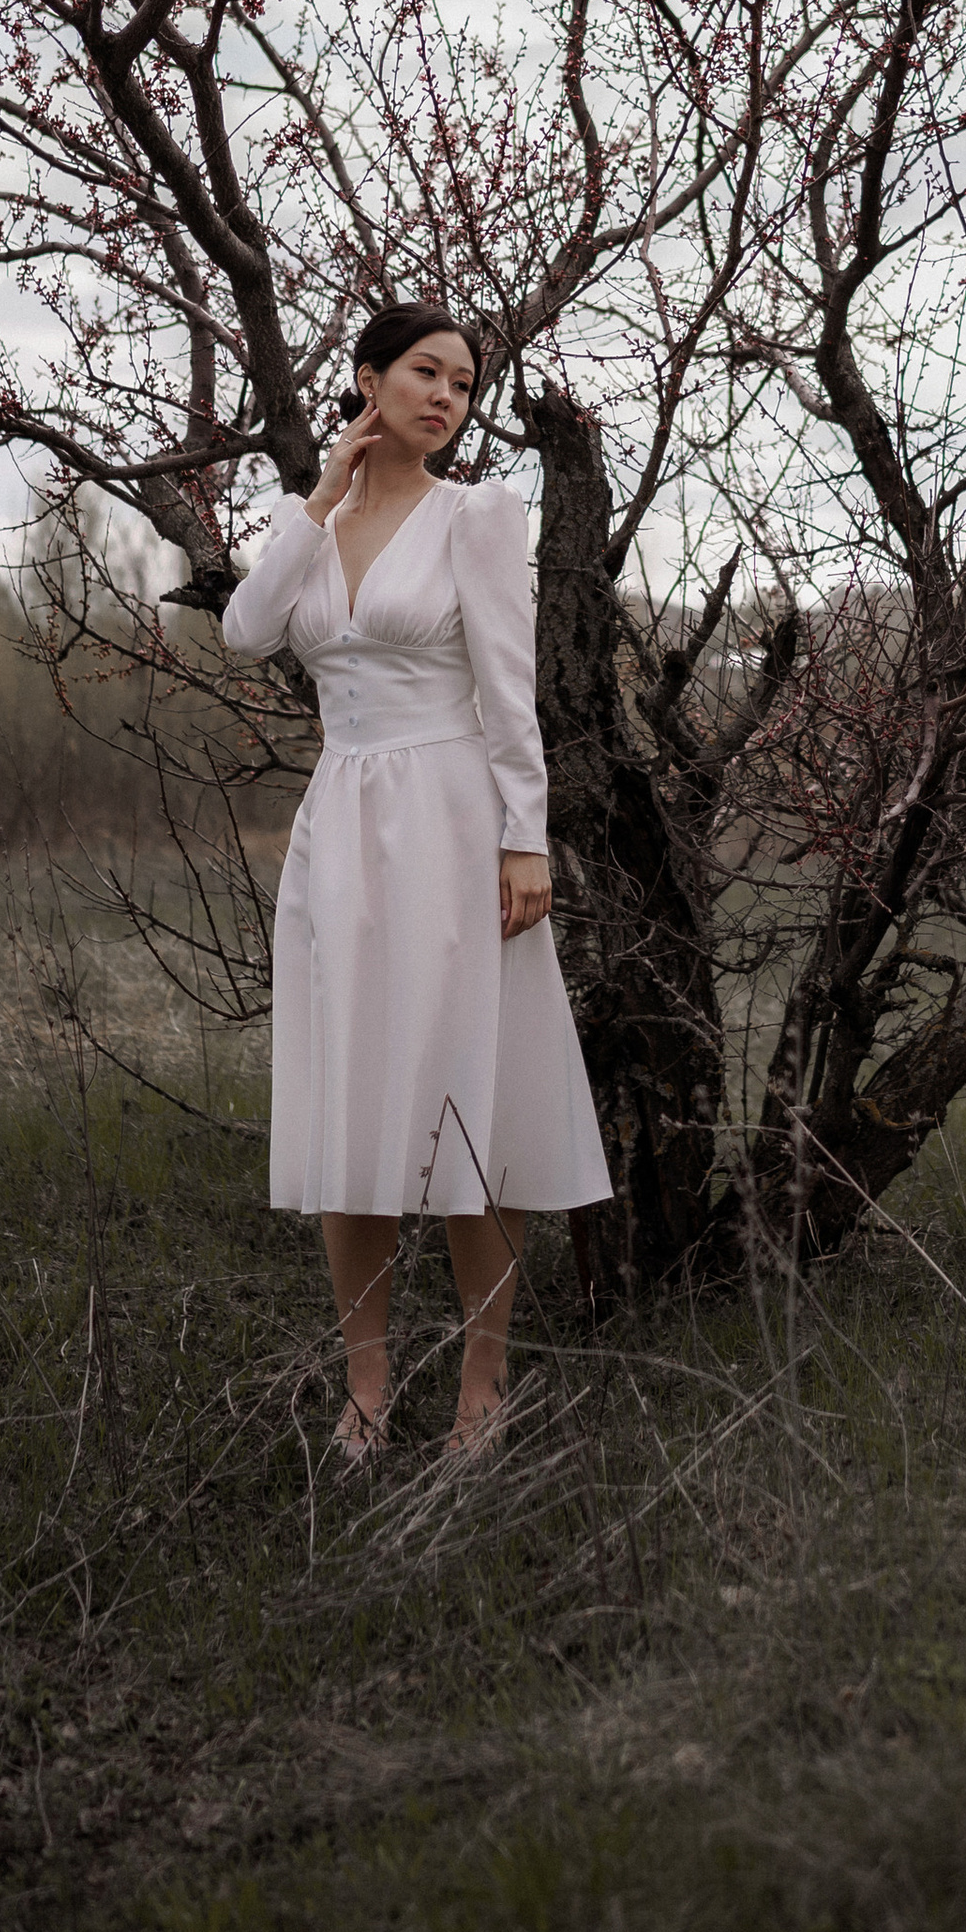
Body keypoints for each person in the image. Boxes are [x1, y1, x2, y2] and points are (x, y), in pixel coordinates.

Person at [219, 303, 611, 1462]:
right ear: (368, 381)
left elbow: (507, 686)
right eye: (423, 373)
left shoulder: (476, 514)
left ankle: (483, 1384)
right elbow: (246, 632)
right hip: (342, 827)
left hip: (452, 821)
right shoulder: (318, 519)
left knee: (461, 1095)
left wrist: (524, 838)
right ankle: (366, 1387)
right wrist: (321, 495)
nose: (445, 396)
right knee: (356, 1102)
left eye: (462, 382)